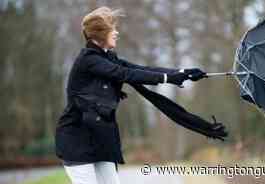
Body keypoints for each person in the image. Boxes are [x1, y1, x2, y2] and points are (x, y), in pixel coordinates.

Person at [54, 6, 208, 184]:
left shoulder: (108, 57)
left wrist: (182, 72)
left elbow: (140, 69)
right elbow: (125, 74)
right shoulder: (88, 60)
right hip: (77, 140)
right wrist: (169, 78)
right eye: (113, 29)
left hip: (100, 139)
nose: (117, 33)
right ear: (100, 32)